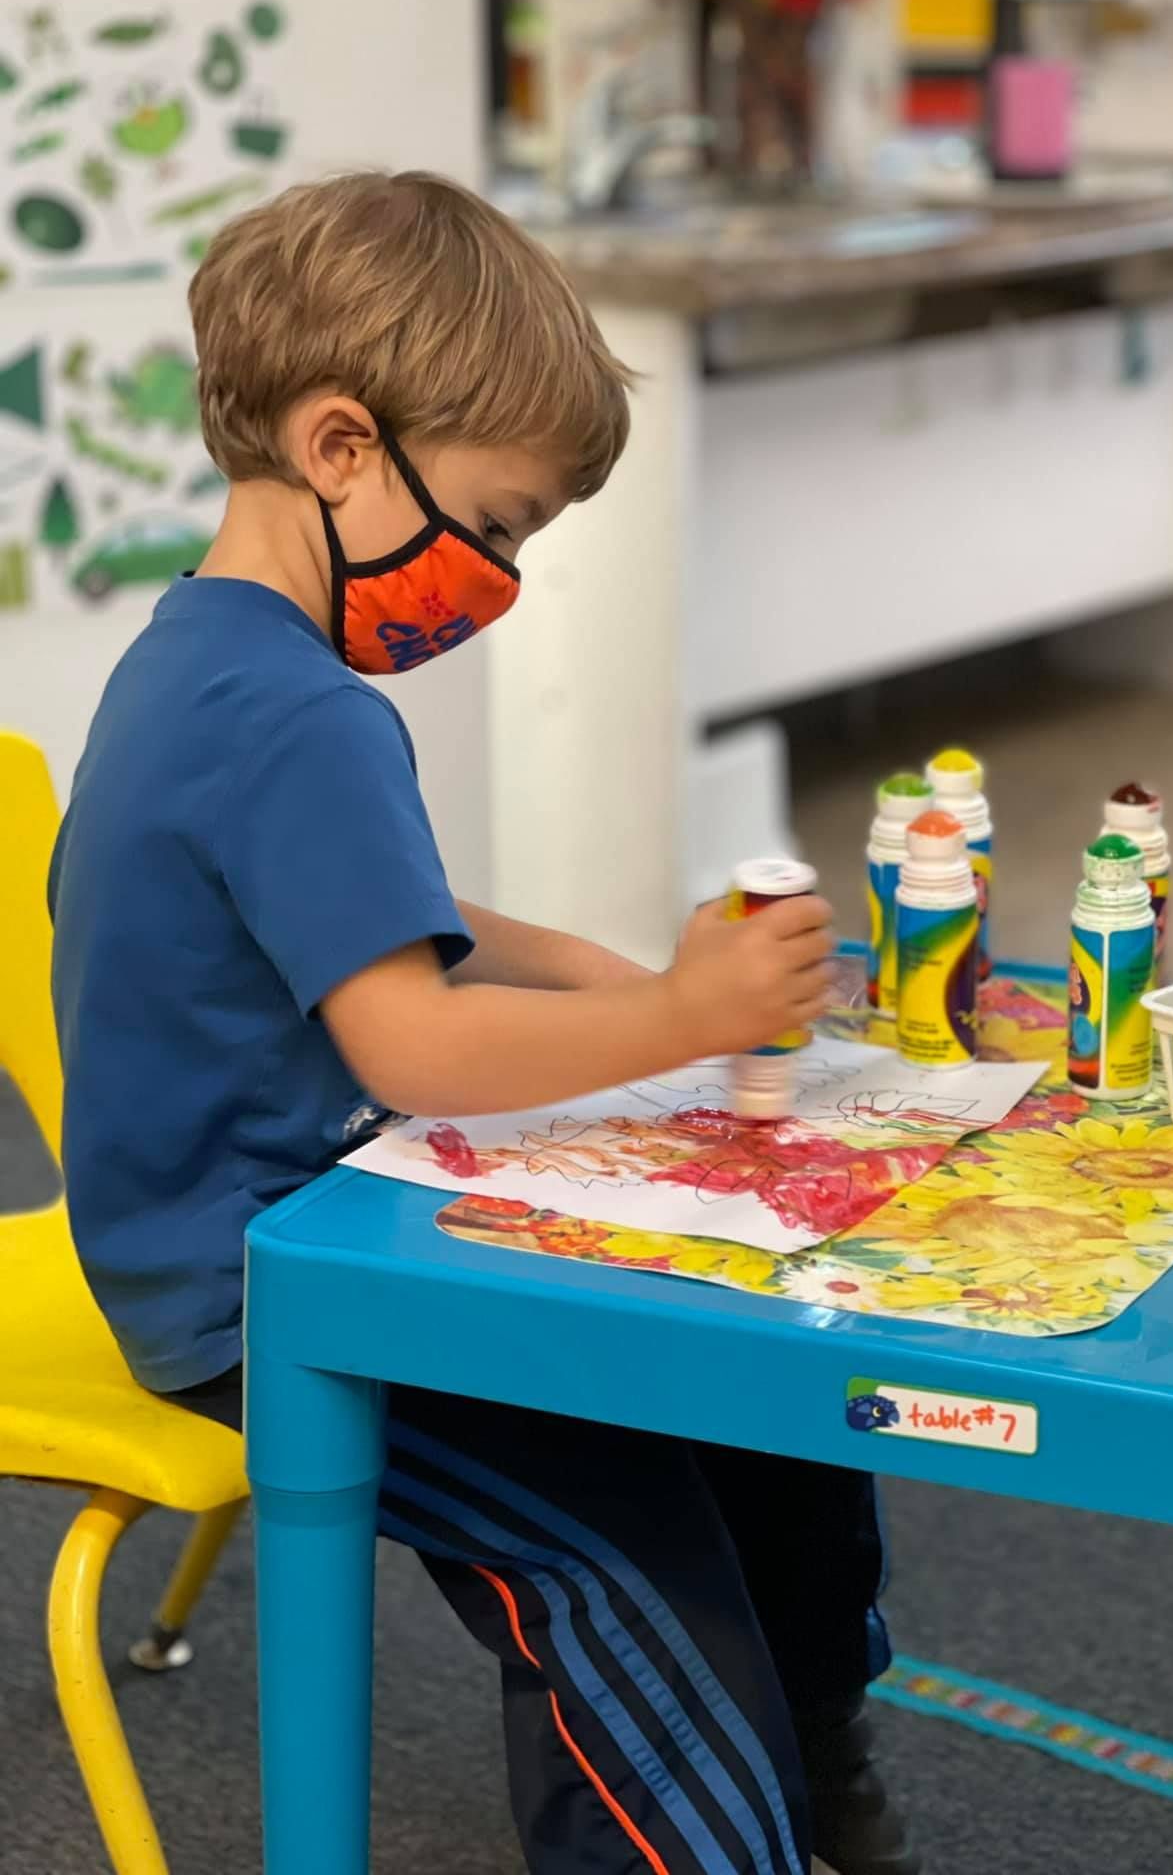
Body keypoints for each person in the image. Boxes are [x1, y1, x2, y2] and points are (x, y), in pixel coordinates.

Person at [48, 171, 919, 1875]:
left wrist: (598, 975)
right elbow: (414, 1045)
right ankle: (727, 1833)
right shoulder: (295, 711)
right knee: (614, 1547)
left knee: (755, 1394)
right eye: (502, 525)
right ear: (343, 448)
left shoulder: (215, 654)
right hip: (263, 1295)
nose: (496, 579)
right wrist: (681, 1008)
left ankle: (807, 1769)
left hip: (314, 1218)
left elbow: (376, 918)